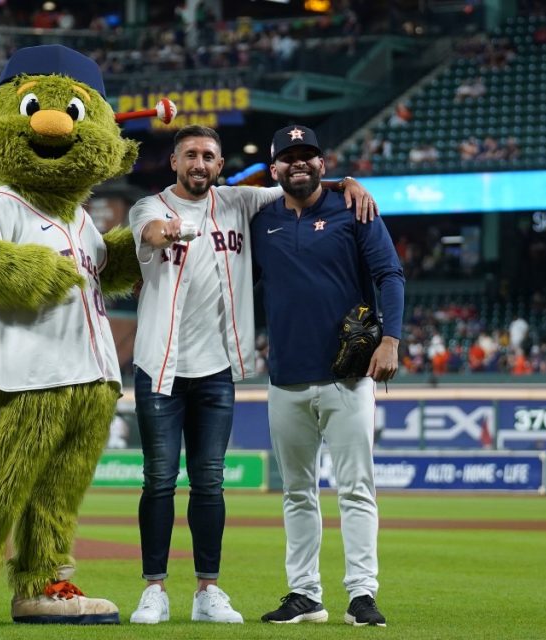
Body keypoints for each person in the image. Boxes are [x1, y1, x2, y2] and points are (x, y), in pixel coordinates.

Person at [127, 125, 376, 625]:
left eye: (209, 156)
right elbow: (150, 234)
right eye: (191, 155)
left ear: (221, 166)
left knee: (210, 484)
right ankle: (154, 589)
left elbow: (296, 180)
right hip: (161, 366)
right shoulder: (149, 207)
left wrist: (346, 182)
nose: (200, 163)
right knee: (158, 481)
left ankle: (207, 592)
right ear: (175, 162)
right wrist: (171, 231)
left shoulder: (240, 201)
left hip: (217, 367)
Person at [252, 125, 404, 626]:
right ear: (274, 168)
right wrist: (346, 179)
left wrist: (390, 339)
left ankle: (362, 593)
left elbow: (390, 275)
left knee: (356, 488)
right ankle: (304, 594)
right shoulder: (262, 217)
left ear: (323, 162)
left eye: (308, 155)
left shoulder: (354, 210)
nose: (300, 162)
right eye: (288, 157)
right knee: (297, 491)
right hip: (285, 377)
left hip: (348, 376)